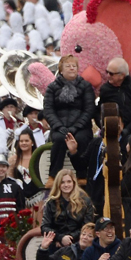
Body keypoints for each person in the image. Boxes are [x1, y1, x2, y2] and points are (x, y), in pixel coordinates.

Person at [41, 55, 95, 183]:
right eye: (68, 66)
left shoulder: (86, 86)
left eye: (74, 66)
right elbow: (48, 110)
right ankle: (53, 175)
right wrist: (59, 126)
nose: (72, 68)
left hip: (81, 127)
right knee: (59, 140)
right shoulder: (52, 87)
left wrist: (76, 127)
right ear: (61, 70)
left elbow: (89, 109)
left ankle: (82, 175)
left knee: (81, 139)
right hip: (60, 127)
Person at [96, 56, 131, 143]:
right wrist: (104, 127)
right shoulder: (105, 89)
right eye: (107, 72)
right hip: (110, 130)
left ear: (122, 75)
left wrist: (127, 130)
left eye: (111, 74)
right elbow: (99, 111)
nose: (107, 76)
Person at [41, 169, 95, 246]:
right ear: (58, 184)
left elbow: (87, 226)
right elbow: (44, 227)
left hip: (78, 242)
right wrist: (60, 238)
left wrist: (70, 238)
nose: (66, 185)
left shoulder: (85, 201)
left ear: (74, 183)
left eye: (69, 181)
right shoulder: (51, 202)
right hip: (56, 241)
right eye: (62, 182)